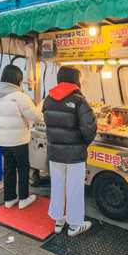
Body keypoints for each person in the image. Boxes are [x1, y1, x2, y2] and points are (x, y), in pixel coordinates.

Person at [43, 66, 97, 236]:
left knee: (57, 186)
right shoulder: (79, 100)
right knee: (74, 188)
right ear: (76, 79)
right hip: (75, 155)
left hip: (55, 153)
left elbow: (49, 125)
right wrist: (81, 144)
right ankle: (74, 226)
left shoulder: (48, 99)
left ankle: (58, 223)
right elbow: (89, 128)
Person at [0, 65, 42, 210]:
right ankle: (24, 198)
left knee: (9, 168)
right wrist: (40, 110)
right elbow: (35, 115)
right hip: (18, 140)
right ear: (17, 79)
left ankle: (9, 199)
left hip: (1, 141)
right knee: (23, 168)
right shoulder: (19, 96)